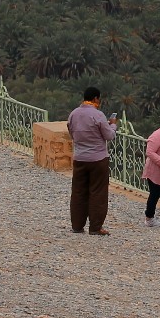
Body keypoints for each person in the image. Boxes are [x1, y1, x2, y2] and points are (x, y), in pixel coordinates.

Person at [67, 86, 117, 236]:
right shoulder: (98, 115)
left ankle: (77, 225)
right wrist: (113, 125)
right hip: (98, 159)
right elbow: (108, 136)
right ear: (96, 98)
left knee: (78, 192)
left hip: (80, 158)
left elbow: (71, 132)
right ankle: (95, 227)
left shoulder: (73, 114)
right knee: (98, 193)